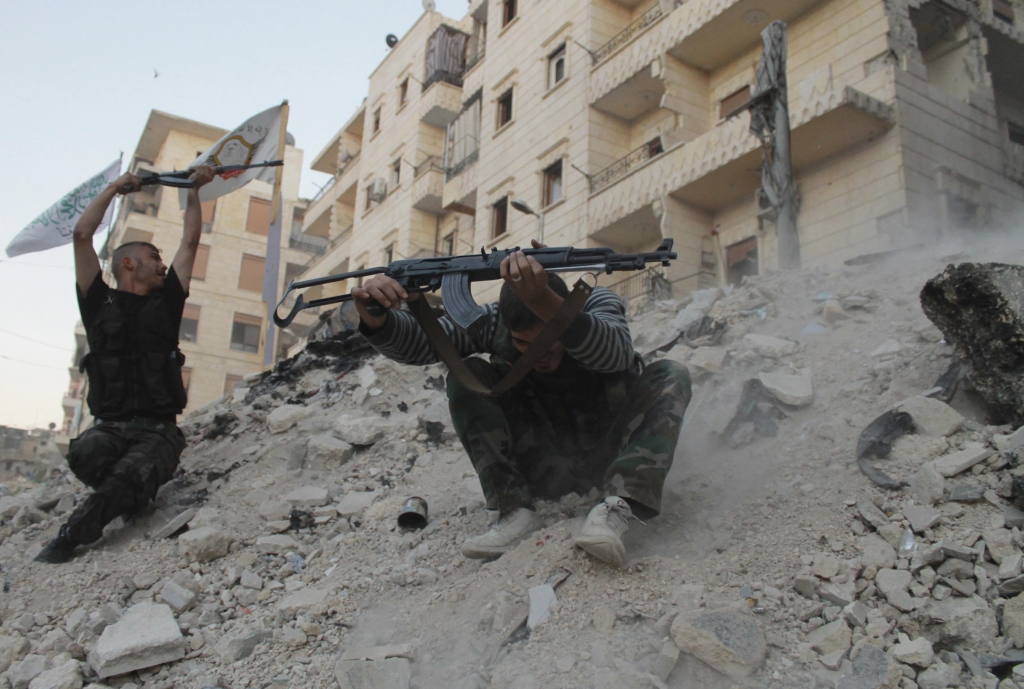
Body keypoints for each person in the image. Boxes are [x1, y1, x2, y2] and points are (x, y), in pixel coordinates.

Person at [352, 241, 692, 567]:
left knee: (669, 373)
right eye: (522, 343)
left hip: (611, 454)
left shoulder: (594, 303)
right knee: (467, 374)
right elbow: (423, 345)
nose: (537, 353)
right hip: (544, 466)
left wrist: (545, 301)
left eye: (547, 339)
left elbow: (615, 353)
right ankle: (514, 509)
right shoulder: (491, 321)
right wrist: (378, 320)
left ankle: (618, 507)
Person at [34, 165, 216, 564]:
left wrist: (193, 191)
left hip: (159, 433)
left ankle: (70, 537)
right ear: (129, 264)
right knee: (84, 452)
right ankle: (129, 492)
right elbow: (82, 235)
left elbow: (191, 240)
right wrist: (116, 188)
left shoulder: (167, 301)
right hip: (111, 430)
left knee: (131, 473)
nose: (163, 264)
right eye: (154, 257)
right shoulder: (98, 302)